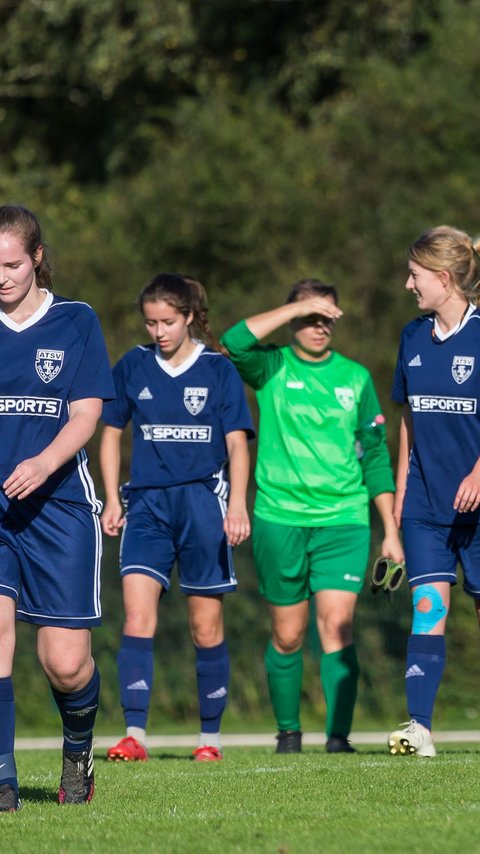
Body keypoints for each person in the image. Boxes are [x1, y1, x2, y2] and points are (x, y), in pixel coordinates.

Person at [221, 279, 402, 754]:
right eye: (310, 318)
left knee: (336, 625)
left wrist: (390, 530)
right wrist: (295, 308)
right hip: (279, 517)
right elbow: (234, 341)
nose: (320, 327)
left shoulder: (356, 378)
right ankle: (288, 732)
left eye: (327, 318)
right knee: (288, 633)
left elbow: (375, 456)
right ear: (293, 318)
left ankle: (338, 738)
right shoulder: (271, 367)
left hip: (344, 519)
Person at [99, 274, 254, 763]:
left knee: (205, 627)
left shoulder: (218, 371)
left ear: (189, 317)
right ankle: (134, 735)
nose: (158, 331)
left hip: (203, 505)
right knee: (138, 617)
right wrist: (111, 498)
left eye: (168, 321)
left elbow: (236, 442)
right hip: (145, 506)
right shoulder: (133, 366)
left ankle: (210, 739)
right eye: (150, 322)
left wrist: (237, 504)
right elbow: (109, 435)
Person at [386, 226, 480, 760]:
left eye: (416, 276)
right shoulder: (411, 337)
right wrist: (403, 491)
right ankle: (419, 728)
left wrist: (477, 473)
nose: (408, 284)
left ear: (444, 279)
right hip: (424, 502)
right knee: (427, 605)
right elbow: (409, 421)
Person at [0, 204, 114, 809]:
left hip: (59, 508)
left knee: (65, 663)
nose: (2, 275)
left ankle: (78, 754)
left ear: (37, 258)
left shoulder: (75, 321)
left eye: (12, 263)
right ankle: (2, 780)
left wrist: (45, 463)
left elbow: (88, 412)